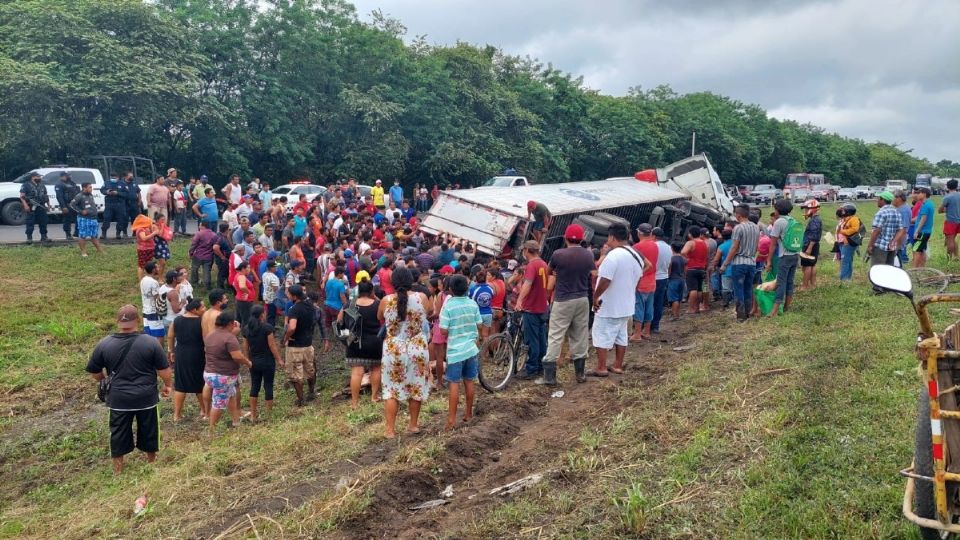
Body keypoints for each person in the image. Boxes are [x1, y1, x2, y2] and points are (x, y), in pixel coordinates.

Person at [87, 305, 171, 474]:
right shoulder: (150, 342)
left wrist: (105, 380)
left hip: (118, 399)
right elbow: (164, 370)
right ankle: (151, 463)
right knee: (149, 430)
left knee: (118, 434)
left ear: (117, 322)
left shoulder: (105, 344)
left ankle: (118, 470)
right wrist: (168, 385)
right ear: (138, 321)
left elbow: (95, 372)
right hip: (146, 398)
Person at [377, 267, 433, 438]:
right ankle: (413, 425)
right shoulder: (421, 297)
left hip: (394, 349)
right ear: (411, 281)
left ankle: (390, 430)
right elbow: (429, 312)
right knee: (416, 386)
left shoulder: (386, 300)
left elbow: (380, 317)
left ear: (393, 282)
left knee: (391, 390)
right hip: (417, 346)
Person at [542, 224, 594, 384]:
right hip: (582, 298)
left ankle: (550, 377)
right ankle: (580, 374)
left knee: (556, 336)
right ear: (582, 239)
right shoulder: (588, 255)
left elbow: (548, 271)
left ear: (565, 238)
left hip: (563, 299)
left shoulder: (558, 254)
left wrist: (559, 273)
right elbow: (592, 274)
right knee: (580, 335)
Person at [590, 223, 644, 376]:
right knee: (621, 335)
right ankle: (618, 365)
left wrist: (595, 297)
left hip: (609, 304)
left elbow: (605, 280)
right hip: (627, 304)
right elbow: (638, 278)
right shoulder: (636, 255)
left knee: (601, 334)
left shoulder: (613, 256)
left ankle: (601, 367)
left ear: (612, 237)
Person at [439, 274, 482, 429]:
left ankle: (451, 420)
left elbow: (443, 330)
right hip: (471, 349)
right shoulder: (472, 304)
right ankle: (468, 413)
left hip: (455, 352)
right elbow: (479, 324)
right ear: (467, 288)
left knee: (454, 384)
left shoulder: (448, 306)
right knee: (469, 381)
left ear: (450, 289)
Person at [203, 311, 252, 430]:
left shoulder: (210, 335)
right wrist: (247, 362)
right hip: (223, 376)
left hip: (209, 372)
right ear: (231, 323)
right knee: (218, 404)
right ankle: (212, 430)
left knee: (231, 395)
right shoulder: (229, 338)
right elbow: (237, 356)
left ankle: (236, 422)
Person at [340, 280, 383, 408]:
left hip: (355, 342)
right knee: (375, 369)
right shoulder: (377, 304)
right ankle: (374, 397)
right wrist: (375, 297)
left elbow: (339, 319)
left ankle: (354, 403)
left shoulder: (350, 305)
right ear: (371, 291)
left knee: (356, 372)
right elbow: (383, 318)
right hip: (375, 341)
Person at [514, 240, 550, 380]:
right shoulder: (543, 264)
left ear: (527, 250)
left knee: (532, 340)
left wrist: (519, 301)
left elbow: (527, 284)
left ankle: (531, 368)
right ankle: (541, 366)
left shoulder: (532, 265)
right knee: (541, 339)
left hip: (532, 308)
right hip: (542, 307)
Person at [168, 299, 208, 422]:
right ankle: (204, 411)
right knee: (200, 382)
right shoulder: (201, 322)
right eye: (202, 307)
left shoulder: (177, 320)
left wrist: (171, 351)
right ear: (194, 310)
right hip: (197, 353)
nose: (204, 309)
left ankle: (177, 415)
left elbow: (170, 335)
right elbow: (206, 338)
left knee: (180, 384)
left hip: (181, 352)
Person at [719, 204, 759, 322]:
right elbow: (757, 246)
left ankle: (741, 316)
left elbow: (734, 247)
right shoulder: (756, 227)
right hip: (751, 263)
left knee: (738, 289)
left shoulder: (738, 228)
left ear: (738, 215)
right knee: (748, 288)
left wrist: (725, 264)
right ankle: (748, 313)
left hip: (739, 263)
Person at [243, 304, 282, 422]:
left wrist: (246, 360)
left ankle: (253, 415)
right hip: (267, 361)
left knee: (254, 386)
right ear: (262, 314)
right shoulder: (267, 328)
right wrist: (279, 359)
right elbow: (272, 345)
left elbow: (245, 346)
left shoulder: (246, 329)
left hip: (253, 362)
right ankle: (269, 414)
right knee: (268, 385)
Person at [766, 199, 803, 318]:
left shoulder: (779, 222)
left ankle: (775, 311)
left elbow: (773, 244)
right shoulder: (793, 220)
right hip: (795, 254)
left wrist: (769, 260)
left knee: (780, 282)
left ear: (777, 210)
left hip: (784, 256)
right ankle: (787, 307)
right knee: (790, 281)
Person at [283, 284, 317, 406]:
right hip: (308, 343)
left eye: (288, 293)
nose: (287, 295)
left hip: (295, 345)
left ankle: (300, 399)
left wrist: (286, 338)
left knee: (296, 374)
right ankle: (312, 392)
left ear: (294, 296)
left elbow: (292, 327)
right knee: (310, 370)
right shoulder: (311, 306)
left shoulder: (294, 309)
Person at [631, 224, 658, 341]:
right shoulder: (655, 245)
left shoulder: (636, 247)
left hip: (640, 281)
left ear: (639, 233)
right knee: (649, 307)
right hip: (652, 281)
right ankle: (646, 331)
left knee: (638, 307)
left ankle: (637, 333)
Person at [867, 191, 905, 267]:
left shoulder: (881, 213)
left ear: (882, 200)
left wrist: (870, 245)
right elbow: (901, 230)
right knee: (888, 270)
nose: (877, 200)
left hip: (880, 247)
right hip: (891, 247)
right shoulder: (896, 212)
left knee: (877, 270)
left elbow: (876, 231)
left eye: (878, 199)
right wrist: (894, 241)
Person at [68, 182, 104, 257]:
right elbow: (72, 205)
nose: (91, 189)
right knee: (82, 236)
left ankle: (99, 250)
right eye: (90, 187)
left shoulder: (90, 195)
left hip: (93, 218)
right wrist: (81, 211)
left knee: (94, 235)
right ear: (84, 188)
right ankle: (83, 252)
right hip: (84, 219)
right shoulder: (79, 196)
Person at [681, 226, 709, 314]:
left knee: (692, 289)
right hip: (702, 268)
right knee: (700, 289)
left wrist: (688, 259)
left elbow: (683, 252)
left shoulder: (690, 243)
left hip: (692, 268)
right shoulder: (705, 243)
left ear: (690, 234)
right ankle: (697, 307)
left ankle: (690, 308)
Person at [19, 171, 51, 244]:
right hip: (31, 206)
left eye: (39, 177)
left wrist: (48, 205)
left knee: (43, 222)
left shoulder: (42, 185)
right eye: (38, 176)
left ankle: (44, 237)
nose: (39, 178)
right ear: (33, 177)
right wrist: (25, 205)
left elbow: (46, 196)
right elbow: (22, 196)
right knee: (30, 222)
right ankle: (29, 238)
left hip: (41, 206)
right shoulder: (26, 185)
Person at [651, 227, 672, 333]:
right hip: (664, 277)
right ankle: (655, 325)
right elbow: (670, 264)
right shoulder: (668, 247)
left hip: (653, 277)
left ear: (653, 236)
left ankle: (647, 325)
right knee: (659, 303)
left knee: (649, 302)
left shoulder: (654, 246)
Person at [140, 261, 166, 344]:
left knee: (149, 334)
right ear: (153, 270)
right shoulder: (153, 282)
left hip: (145, 310)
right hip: (154, 311)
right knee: (159, 334)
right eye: (157, 267)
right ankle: (159, 353)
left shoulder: (143, 280)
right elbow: (156, 298)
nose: (158, 269)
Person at [799, 199, 822, 291]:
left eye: (806, 209)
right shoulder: (815, 219)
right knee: (812, 265)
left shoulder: (815, 221)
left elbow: (814, 234)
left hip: (810, 245)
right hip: (813, 245)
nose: (805, 211)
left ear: (812, 209)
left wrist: (809, 248)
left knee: (807, 265)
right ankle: (813, 284)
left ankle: (805, 286)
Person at [468, 269, 495, 342]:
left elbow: (470, 300)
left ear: (476, 279)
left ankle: (478, 352)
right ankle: (485, 353)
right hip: (488, 314)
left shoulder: (473, 289)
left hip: (477, 314)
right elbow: (492, 297)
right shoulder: (490, 289)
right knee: (485, 335)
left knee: (476, 335)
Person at [189, 221, 217, 290]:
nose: (199, 226)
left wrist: (191, 253)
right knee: (207, 271)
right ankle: (207, 285)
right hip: (209, 257)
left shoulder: (199, 233)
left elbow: (194, 244)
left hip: (198, 255)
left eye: (200, 225)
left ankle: (194, 282)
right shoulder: (214, 235)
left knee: (194, 269)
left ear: (203, 226)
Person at [837, 204, 862, 282]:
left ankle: (843, 279)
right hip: (844, 242)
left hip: (848, 243)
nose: (843, 212)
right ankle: (847, 278)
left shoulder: (854, 219)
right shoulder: (846, 219)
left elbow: (855, 229)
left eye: (844, 210)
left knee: (845, 261)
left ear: (848, 211)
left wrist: (842, 231)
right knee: (847, 260)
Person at [912, 186, 935, 268]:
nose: (917, 195)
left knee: (916, 250)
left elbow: (923, 219)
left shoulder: (925, 205)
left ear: (924, 194)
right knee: (922, 250)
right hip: (926, 231)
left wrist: (917, 231)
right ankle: (922, 268)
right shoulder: (929, 203)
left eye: (919, 193)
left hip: (922, 232)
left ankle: (914, 269)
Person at [56, 171, 81, 239]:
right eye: (67, 176)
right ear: (62, 176)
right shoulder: (59, 184)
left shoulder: (72, 183)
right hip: (67, 204)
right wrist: (63, 207)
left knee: (78, 218)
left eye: (69, 175)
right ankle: (68, 234)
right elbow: (59, 197)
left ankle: (77, 233)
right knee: (67, 220)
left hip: (75, 204)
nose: (69, 177)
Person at [940, 179, 960, 260]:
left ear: (947, 187)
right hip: (959, 220)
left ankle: (949, 257)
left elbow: (940, 209)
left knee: (950, 240)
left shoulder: (947, 197)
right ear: (957, 186)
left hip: (951, 221)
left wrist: (945, 210)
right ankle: (956, 256)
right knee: (953, 239)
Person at [121, 171, 143, 238]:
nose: (131, 177)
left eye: (132, 176)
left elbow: (138, 193)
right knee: (125, 219)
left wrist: (139, 201)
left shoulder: (134, 184)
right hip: (125, 204)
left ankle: (134, 232)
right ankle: (125, 233)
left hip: (134, 204)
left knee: (135, 219)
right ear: (125, 177)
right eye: (130, 176)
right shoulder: (122, 184)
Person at [232, 262, 255, 327]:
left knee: (238, 319)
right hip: (245, 302)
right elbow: (242, 286)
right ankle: (245, 335)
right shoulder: (242, 276)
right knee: (246, 320)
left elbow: (236, 286)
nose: (249, 269)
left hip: (240, 300)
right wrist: (248, 292)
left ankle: (235, 333)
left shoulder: (238, 275)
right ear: (243, 268)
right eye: (248, 267)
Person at [893, 191, 913, 266]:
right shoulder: (902, 208)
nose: (893, 200)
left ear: (899, 198)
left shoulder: (903, 210)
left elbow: (904, 229)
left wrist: (897, 244)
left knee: (898, 263)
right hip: (898, 240)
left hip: (899, 241)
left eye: (894, 197)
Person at [667, 244, 686, 321]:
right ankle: (677, 314)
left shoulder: (672, 259)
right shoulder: (683, 258)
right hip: (681, 279)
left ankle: (674, 315)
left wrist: (667, 277)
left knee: (674, 298)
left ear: (672, 249)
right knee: (679, 298)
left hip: (673, 279)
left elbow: (669, 270)